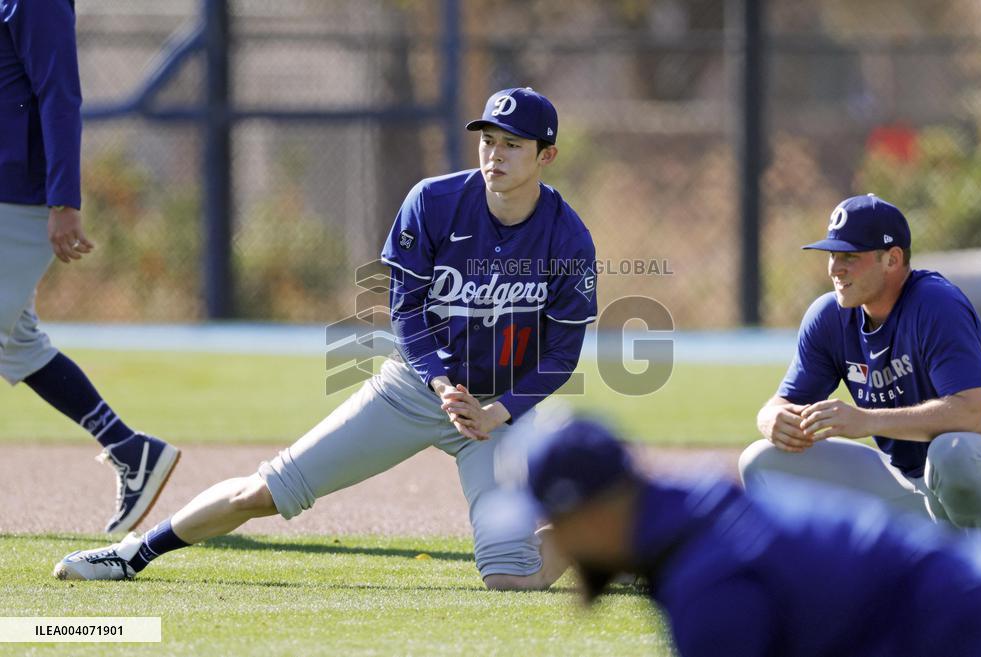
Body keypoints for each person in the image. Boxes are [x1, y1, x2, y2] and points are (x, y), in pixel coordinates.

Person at [53, 87, 597, 589]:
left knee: (507, 577)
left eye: (513, 145)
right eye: (487, 141)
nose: (494, 155)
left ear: (546, 156)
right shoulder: (434, 202)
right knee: (265, 492)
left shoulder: (568, 237)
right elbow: (404, 310)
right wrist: (436, 381)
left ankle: (596, 539)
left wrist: (498, 411)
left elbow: (561, 354)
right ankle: (132, 554)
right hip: (414, 389)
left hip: (493, 412)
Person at [524, 416, 981, 657]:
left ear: (592, 516)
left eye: (557, 523)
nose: (556, 541)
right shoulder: (697, 512)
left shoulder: (707, 582)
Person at [1, 0, 179, 533]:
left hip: (18, 194)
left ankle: (133, 452)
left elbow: (60, 93)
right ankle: (131, 451)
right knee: (18, 341)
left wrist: (63, 201)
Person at [740, 194, 981, 531]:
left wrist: (866, 421)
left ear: (892, 259)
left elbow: (973, 415)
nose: (835, 268)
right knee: (761, 462)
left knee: (952, 452)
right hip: (911, 485)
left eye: (850, 255)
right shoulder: (829, 316)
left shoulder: (936, 304)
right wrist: (771, 417)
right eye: (832, 255)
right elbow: (782, 403)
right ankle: (834, 577)